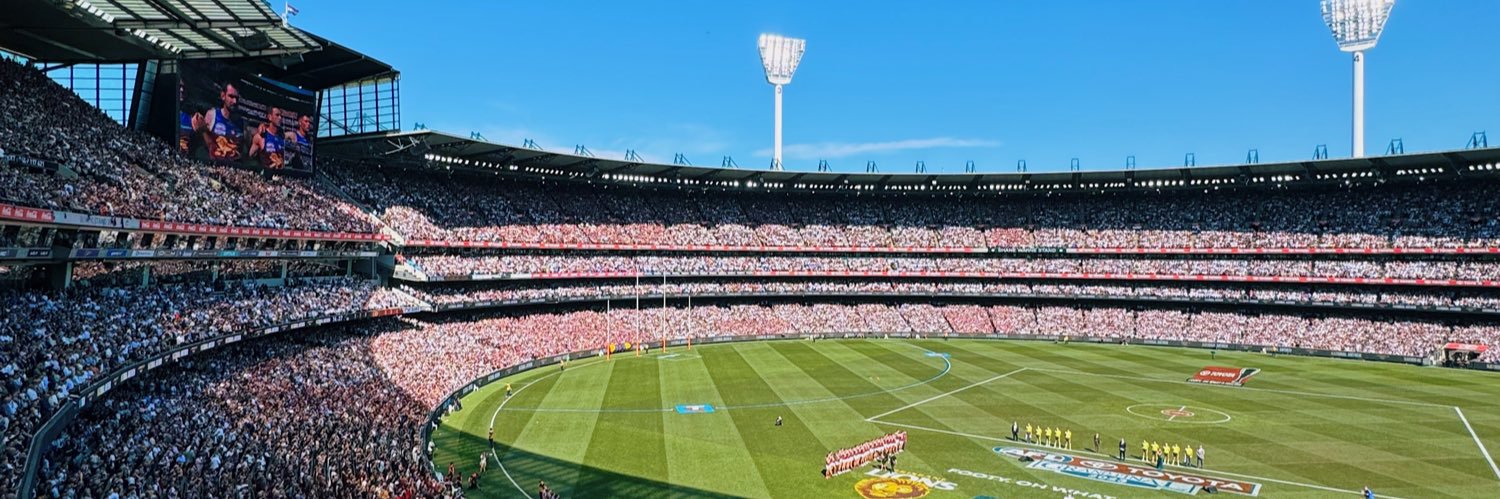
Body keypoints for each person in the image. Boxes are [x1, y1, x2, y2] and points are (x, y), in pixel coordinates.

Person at [191, 82, 242, 161]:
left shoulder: (241, 123)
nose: (235, 101)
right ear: (223, 96)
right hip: (213, 165)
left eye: (237, 98)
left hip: (233, 167)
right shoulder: (212, 115)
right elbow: (203, 142)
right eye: (231, 96)